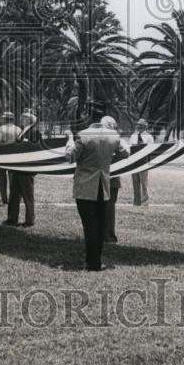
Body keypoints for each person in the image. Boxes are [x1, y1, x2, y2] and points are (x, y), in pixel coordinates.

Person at [65, 106, 124, 270]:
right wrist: (109, 161)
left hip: (85, 185)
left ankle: (92, 263)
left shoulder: (83, 136)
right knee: (99, 225)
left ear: (89, 119)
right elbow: (125, 152)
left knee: (89, 224)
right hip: (103, 184)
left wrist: (69, 139)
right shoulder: (114, 136)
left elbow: (70, 157)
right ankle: (97, 261)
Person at [6, 110, 39, 227]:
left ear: (30, 120)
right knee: (14, 194)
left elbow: (35, 149)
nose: (21, 119)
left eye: (24, 117)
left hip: (26, 168)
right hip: (18, 167)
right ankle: (12, 219)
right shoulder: (23, 131)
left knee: (27, 195)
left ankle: (29, 220)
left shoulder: (34, 131)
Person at [101, 116, 129, 243]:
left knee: (106, 208)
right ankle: (107, 236)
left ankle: (106, 235)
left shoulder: (103, 140)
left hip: (107, 178)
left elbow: (125, 153)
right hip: (109, 178)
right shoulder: (117, 140)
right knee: (107, 208)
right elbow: (125, 153)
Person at [0, 111, 21, 222]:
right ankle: (12, 199)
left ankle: (4, 199)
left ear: (6, 119)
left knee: (2, 179)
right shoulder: (18, 129)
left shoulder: (1, 129)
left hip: (2, 156)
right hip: (14, 157)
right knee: (13, 180)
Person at [129, 119, 155, 207]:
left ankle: (145, 202)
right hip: (134, 161)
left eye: (140, 125)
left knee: (144, 182)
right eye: (137, 125)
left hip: (143, 162)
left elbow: (151, 150)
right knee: (135, 182)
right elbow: (130, 147)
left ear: (145, 126)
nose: (138, 126)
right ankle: (136, 202)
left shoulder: (149, 137)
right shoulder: (133, 136)